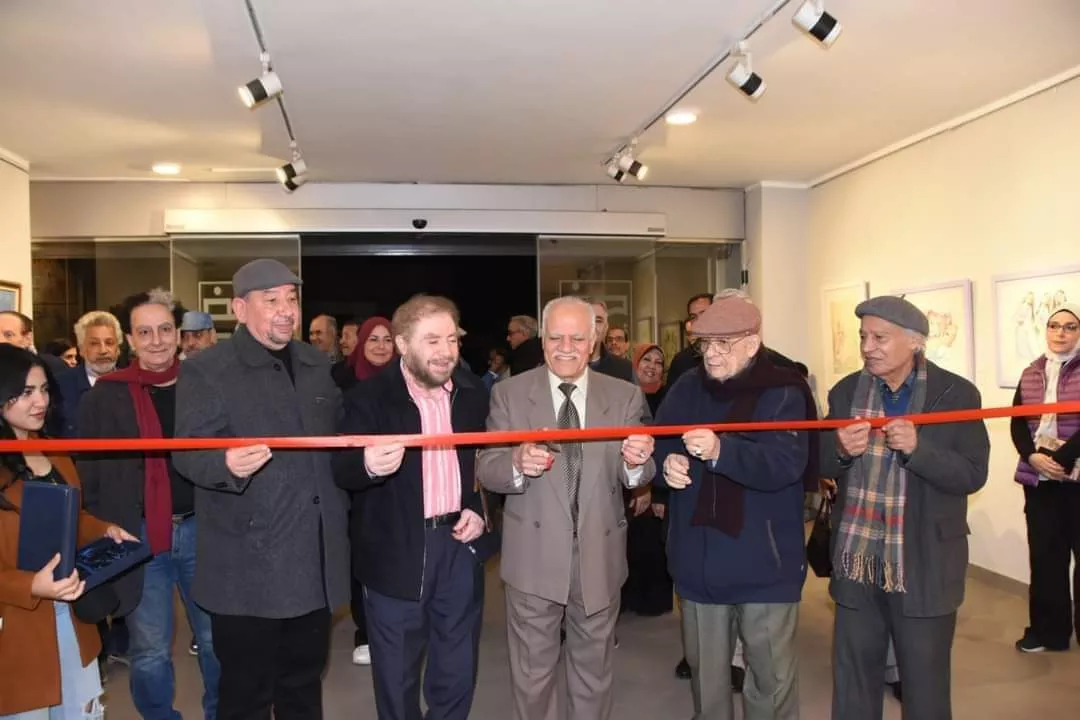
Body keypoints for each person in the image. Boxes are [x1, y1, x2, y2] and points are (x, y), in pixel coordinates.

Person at [174, 259, 350, 720]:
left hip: (312, 560)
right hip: (245, 569)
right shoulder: (208, 370)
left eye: (291, 299)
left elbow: (336, 438)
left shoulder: (316, 364)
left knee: (303, 687)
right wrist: (224, 463)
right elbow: (186, 452)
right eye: (271, 300)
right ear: (239, 308)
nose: (286, 310)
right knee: (246, 695)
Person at [478, 295, 655, 720]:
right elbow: (487, 468)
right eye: (556, 337)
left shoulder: (625, 396)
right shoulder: (509, 394)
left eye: (577, 338)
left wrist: (636, 463)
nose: (565, 347)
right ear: (542, 341)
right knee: (533, 677)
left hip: (599, 556)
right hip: (533, 560)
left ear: (594, 342)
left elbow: (640, 471)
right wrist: (516, 462)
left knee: (594, 674)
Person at [821, 296, 989, 720]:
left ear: (915, 342)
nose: (867, 347)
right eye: (863, 336)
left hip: (924, 560)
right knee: (854, 683)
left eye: (880, 337)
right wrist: (839, 450)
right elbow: (819, 465)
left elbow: (973, 474)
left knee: (925, 688)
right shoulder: (845, 392)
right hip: (858, 559)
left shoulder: (956, 394)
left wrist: (920, 450)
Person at [656, 294, 813, 720]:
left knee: (770, 681)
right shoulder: (688, 386)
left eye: (723, 344)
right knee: (707, 680)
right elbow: (660, 440)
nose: (711, 354)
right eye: (704, 344)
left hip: (764, 563)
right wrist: (666, 464)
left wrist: (722, 451)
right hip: (699, 561)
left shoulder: (783, 390)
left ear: (752, 343)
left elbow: (785, 463)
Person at [333, 295, 489, 720]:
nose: (446, 351)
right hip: (394, 550)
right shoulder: (367, 398)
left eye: (452, 339)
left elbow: (486, 461)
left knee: (457, 668)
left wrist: (478, 507)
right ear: (402, 344)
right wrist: (366, 464)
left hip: (459, 545)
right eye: (432, 340)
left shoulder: (472, 393)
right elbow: (340, 469)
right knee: (396, 674)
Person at [77, 289, 220, 720]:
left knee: (215, 639)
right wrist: (99, 528)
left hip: (203, 529)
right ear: (130, 340)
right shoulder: (106, 395)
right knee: (150, 648)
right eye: (144, 332)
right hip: (138, 535)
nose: (156, 340)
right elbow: (89, 472)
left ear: (178, 334)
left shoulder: (205, 385)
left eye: (164, 330)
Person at [0, 343, 137, 719]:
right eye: (26, 392)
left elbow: (71, 518)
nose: (40, 401)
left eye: (44, 389)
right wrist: (30, 586)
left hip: (72, 615)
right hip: (17, 630)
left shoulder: (53, 450)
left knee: (83, 712)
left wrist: (104, 530)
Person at [1010, 301, 1080, 653]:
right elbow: (1017, 422)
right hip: (1040, 481)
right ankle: (1047, 633)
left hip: (1076, 478)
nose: (1061, 333)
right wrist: (1032, 456)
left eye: (1070, 327)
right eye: (1054, 326)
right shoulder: (1031, 371)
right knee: (1045, 559)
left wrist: (1061, 459)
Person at [620, 344, 672, 617]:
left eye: (658, 362)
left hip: (659, 480)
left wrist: (656, 490)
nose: (652, 366)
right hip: (629, 480)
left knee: (653, 544)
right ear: (635, 364)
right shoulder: (624, 396)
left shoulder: (670, 397)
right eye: (647, 360)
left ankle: (652, 600)